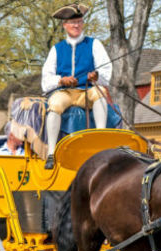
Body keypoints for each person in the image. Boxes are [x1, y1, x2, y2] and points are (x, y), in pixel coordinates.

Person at [41, 3, 112, 168]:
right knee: (54, 104)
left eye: (79, 22)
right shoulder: (56, 49)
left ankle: (100, 140)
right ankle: (52, 153)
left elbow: (105, 69)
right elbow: (46, 79)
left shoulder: (94, 44)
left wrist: (96, 76)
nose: (76, 26)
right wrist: (61, 80)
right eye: (72, 23)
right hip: (65, 92)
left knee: (100, 92)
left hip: (87, 91)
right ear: (65, 25)